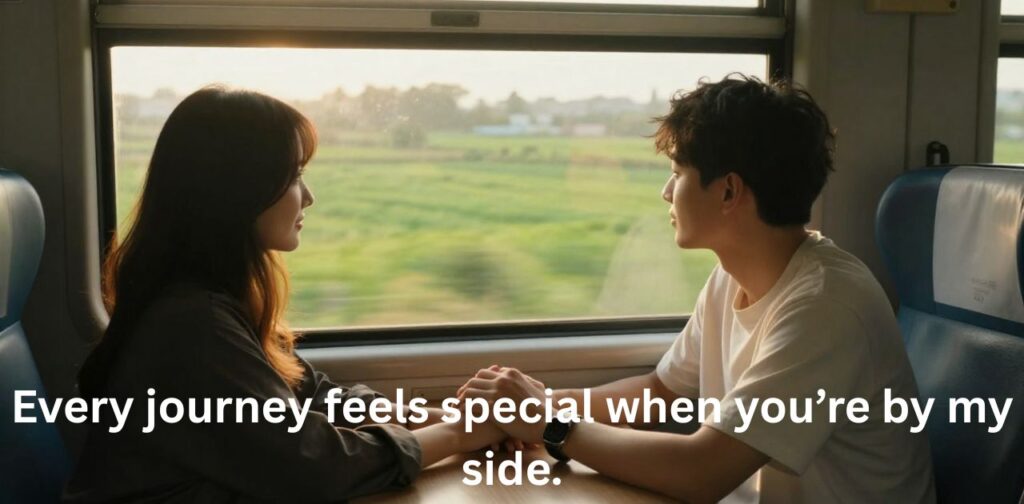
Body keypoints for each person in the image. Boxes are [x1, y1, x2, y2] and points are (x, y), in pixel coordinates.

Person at [459, 75, 936, 503]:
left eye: (678, 173)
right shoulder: (733, 274)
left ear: (729, 192)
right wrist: (524, 408)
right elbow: (659, 391)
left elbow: (704, 470)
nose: (667, 192)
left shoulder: (826, 305)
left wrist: (549, 424)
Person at [64, 86, 505, 503]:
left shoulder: (212, 299)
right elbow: (312, 466)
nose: (308, 197)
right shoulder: (193, 323)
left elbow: (314, 395)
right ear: (238, 190)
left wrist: (453, 419)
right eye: (293, 176)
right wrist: (460, 436)